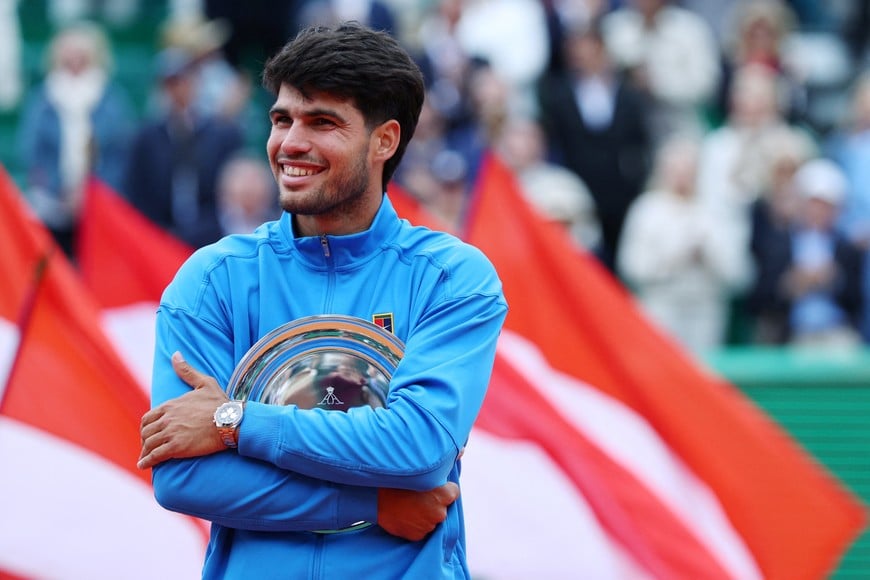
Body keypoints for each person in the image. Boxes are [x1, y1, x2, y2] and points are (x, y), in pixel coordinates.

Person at [137, 22, 508, 579]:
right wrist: (371, 504)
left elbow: (418, 446)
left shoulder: (452, 278)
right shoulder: (213, 278)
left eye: (322, 122)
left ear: (384, 140)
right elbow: (182, 477)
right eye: (282, 119)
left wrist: (232, 421)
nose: (290, 143)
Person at [16, 20, 135, 257]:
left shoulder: (111, 100)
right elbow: (31, 152)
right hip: (52, 202)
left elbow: (119, 155)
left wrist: (91, 193)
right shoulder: (42, 99)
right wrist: (58, 189)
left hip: (99, 201)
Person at [123, 46, 244, 248]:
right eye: (171, 84)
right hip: (158, 233)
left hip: (211, 234)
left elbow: (228, 192)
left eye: (185, 81)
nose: (178, 89)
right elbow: (138, 191)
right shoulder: (147, 136)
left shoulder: (222, 134)